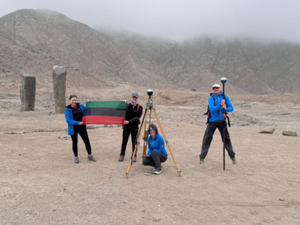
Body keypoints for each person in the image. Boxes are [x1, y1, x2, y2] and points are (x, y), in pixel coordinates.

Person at [199, 84, 237, 164]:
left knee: (226, 140)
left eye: (217, 88)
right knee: (207, 139)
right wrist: (220, 105)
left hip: (222, 121)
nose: (215, 89)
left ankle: (232, 157)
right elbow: (212, 109)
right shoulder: (211, 98)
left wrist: (225, 108)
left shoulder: (225, 97)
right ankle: (202, 157)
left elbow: (231, 108)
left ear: (220, 89)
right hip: (212, 121)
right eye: (214, 88)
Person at [65, 94, 96, 163]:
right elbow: (69, 121)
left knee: (86, 141)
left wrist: (88, 105)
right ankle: (76, 157)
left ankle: (90, 155)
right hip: (73, 128)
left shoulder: (81, 106)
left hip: (82, 127)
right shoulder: (68, 110)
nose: (74, 101)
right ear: (70, 100)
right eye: (73, 100)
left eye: (75, 100)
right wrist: (78, 123)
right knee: (75, 142)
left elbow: (88, 112)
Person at [118, 92, 143, 162]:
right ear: (131, 98)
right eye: (133, 97)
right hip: (126, 127)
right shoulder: (127, 106)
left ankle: (134, 155)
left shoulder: (139, 107)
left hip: (134, 127)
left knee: (134, 142)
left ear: (137, 98)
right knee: (124, 141)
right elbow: (118, 109)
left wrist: (129, 121)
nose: (134, 99)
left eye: (135, 97)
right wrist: (122, 104)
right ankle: (122, 155)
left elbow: (137, 117)